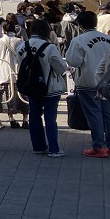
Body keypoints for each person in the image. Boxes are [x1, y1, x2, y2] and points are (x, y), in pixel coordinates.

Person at [16, 19, 69, 157]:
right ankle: (54, 148)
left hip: (31, 86)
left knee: (34, 115)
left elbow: (20, 64)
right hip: (50, 87)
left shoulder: (22, 46)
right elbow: (61, 67)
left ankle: (38, 146)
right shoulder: (49, 47)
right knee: (50, 117)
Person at [65, 10, 110, 157]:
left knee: (94, 114)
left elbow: (73, 61)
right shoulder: (108, 39)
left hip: (88, 82)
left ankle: (99, 147)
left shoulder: (79, 40)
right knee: (108, 113)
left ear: (80, 24)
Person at [0, 19, 28, 128]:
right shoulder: (20, 41)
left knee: (7, 97)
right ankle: (25, 119)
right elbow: (24, 56)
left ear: (3, 29)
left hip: (4, 73)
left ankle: (11, 118)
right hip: (18, 73)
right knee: (23, 97)